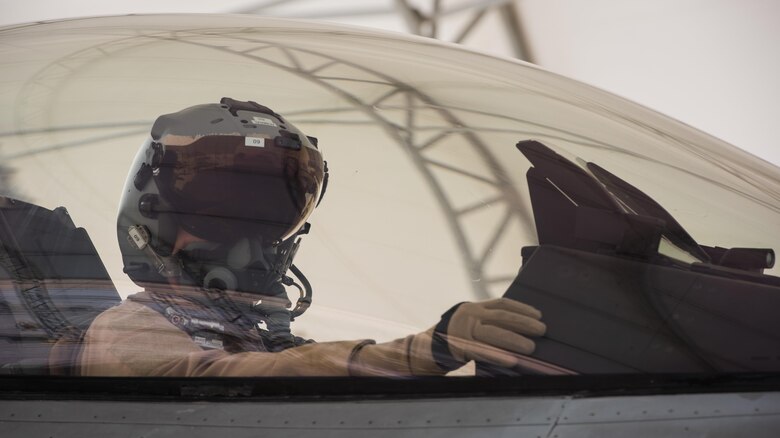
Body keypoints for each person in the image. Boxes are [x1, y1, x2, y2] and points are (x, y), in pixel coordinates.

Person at [54, 98, 545, 377]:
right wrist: (424, 350)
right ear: (152, 216)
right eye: (219, 214)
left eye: (261, 220)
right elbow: (227, 385)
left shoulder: (271, 348)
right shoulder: (128, 330)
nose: (247, 242)